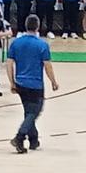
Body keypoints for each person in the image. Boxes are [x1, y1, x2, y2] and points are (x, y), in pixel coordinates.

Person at [7, 15, 60, 153]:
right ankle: (19, 137)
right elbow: (47, 66)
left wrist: (12, 81)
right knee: (35, 111)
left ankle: (33, 140)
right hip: (35, 84)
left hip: (20, 83)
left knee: (28, 112)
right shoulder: (42, 45)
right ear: (38, 27)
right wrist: (53, 81)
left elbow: (9, 63)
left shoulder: (16, 43)